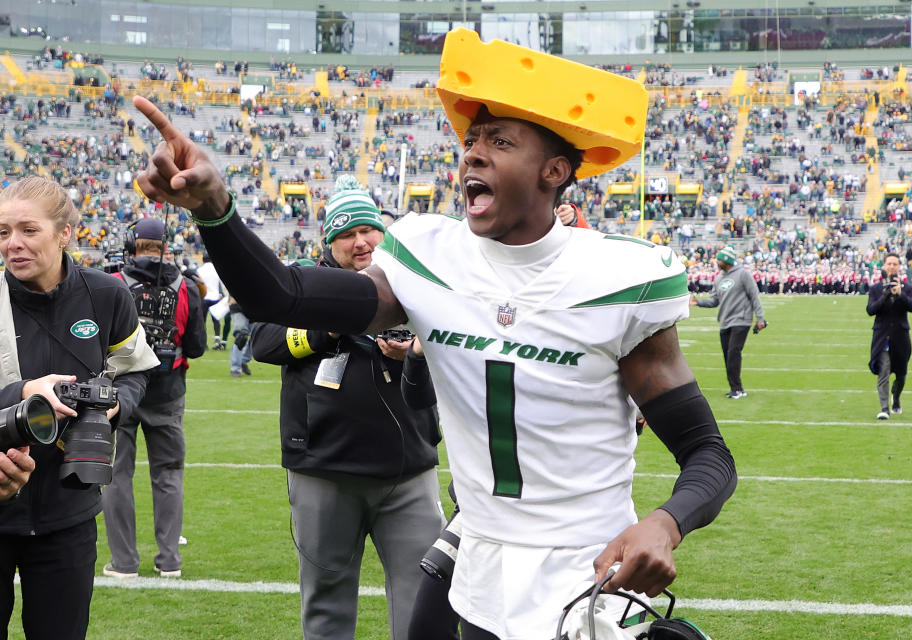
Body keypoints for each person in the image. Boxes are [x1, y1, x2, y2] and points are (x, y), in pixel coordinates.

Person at [131, 28, 737, 639]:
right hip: (478, 563)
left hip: (587, 572)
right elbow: (282, 296)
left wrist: (666, 522)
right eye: (471, 140)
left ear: (555, 170)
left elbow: (709, 456)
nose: (471, 154)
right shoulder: (428, 257)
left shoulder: (618, 277)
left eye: (499, 141)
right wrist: (216, 210)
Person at [249, 179, 446, 640]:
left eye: (368, 230)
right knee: (326, 606)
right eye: (345, 234)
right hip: (326, 470)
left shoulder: (413, 278)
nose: (360, 242)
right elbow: (264, 341)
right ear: (328, 243)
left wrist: (417, 350)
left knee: (424, 604)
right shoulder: (305, 283)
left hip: (409, 469)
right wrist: (335, 323)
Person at [0, 176, 158, 639]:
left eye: (29, 230)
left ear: (64, 233)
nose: (13, 244)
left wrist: (116, 407)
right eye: (3, 232)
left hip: (69, 508)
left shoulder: (106, 294)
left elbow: (135, 370)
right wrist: (24, 393)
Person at [101, 217, 206, 579]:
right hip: (168, 390)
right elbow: (197, 346)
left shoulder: (111, 282)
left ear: (131, 245)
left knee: (116, 474)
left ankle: (124, 562)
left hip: (119, 390)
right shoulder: (187, 287)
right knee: (169, 475)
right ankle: (169, 560)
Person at [690, 246, 767, 399]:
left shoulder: (743, 274)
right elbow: (714, 301)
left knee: (733, 354)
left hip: (741, 320)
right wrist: (698, 302)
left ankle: (737, 389)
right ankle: (736, 388)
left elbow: (754, 295)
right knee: (727, 356)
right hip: (725, 322)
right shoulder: (719, 278)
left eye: (719, 259)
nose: (717, 262)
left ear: (726, 260)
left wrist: (760, 318)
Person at [867, 252, 912, 420]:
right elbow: (870, 310)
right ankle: (884, 408)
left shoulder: (907, 288)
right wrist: (885, 296)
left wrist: (900, 294)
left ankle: (896, 397)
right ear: (884, 266)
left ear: (899, 267)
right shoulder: (875, 288)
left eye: (895, 264)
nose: (891, 267)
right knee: (884, 371)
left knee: (901, 375)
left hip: (901, 338)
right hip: (882, 338)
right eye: (889, 264)